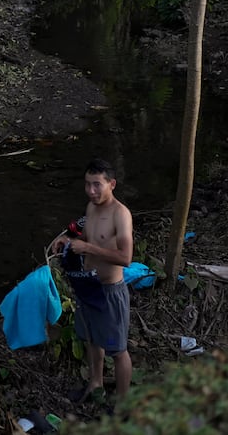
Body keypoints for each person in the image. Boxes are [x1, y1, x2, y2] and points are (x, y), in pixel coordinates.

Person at [48, 158, 134, 405]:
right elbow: (86, 235)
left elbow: (126, 258)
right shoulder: (91, 207)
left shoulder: (121, 215)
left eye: (97, 185)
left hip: (110, 291)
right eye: (87, 185)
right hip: (88, 286)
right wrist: (68, 240)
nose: (91, 191)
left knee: (117, 350)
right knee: (90, 338)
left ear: (112, 184)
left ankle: (123, 401)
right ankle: (95, 384)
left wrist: (87, 247)